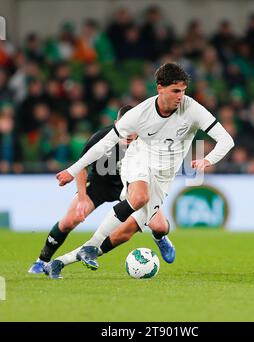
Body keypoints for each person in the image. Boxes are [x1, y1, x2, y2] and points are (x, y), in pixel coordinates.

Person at [47, 62, 234, 278]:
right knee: (139, 197)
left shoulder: (192, 109)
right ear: (159, 88)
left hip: (164, 176)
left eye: (183, 91)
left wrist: (207, 160)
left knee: (129, 233)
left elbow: (226, 140)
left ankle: (61, 262)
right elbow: (104, 144)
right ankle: (91, 246)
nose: (180, 96)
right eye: (175, 91)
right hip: (138, 161)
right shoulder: (140, 113)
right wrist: (72, 171)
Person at [28, 105, 173, 274]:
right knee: (70, 220)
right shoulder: (102, 138)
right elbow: (81, 167)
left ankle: (159, 237)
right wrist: (82, 199)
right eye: (125, 126)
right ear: (116, 124)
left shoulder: (147, 144)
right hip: (99, 185)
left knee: (159, 226)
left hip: (129, 186)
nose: (128, 132)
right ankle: (41, 261)